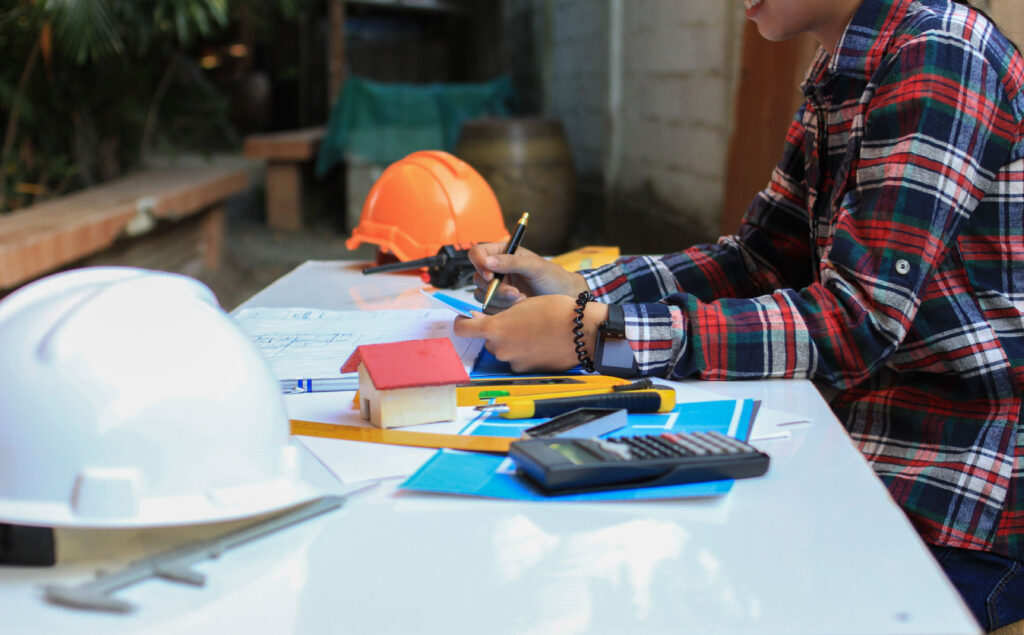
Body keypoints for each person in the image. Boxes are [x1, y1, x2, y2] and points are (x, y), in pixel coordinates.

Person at [453, 0, 1024, 631]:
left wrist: (599, 336)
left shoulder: (942, 54)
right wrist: (581, 286)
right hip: (850, 448)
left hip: (956, 492)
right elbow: (760, 258)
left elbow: (857, 321)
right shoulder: (841, 67)